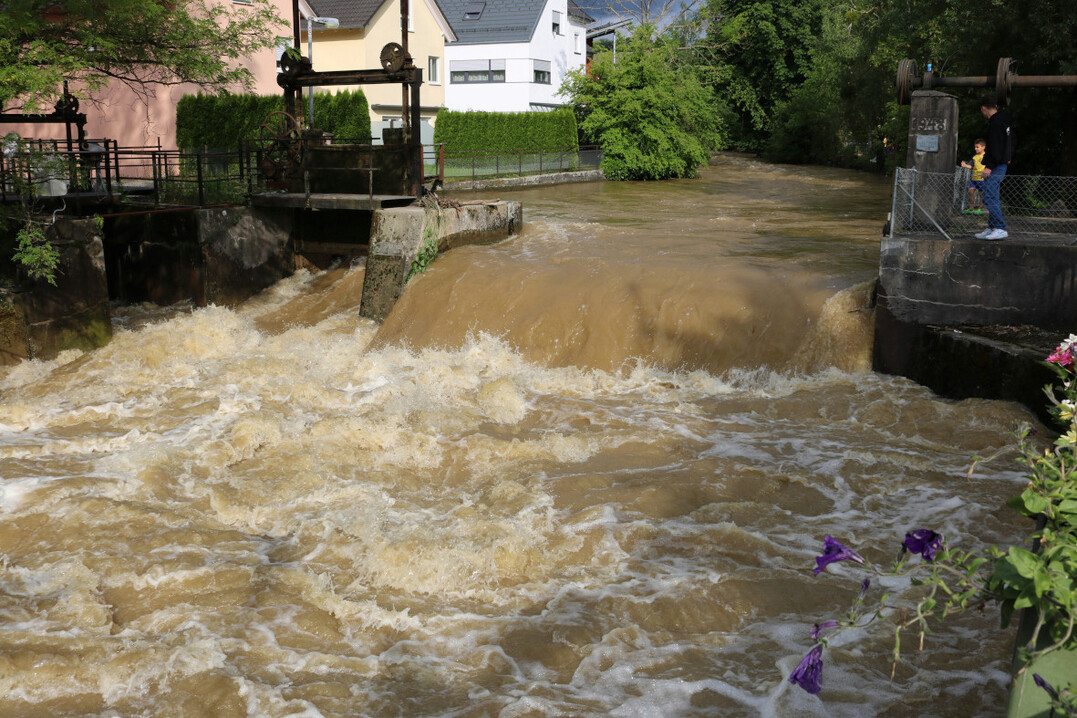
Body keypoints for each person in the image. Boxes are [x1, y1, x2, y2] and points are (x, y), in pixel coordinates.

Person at [974, 94, 1013, 241]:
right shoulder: (1004, 121)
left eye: (981, 110)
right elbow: (1011, 140)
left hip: (996, 165)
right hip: (1001, 162)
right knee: (993, 195)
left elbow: (995, 147)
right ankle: (992, 227)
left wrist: (989, 166)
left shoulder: (995, 124)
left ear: (984, 108)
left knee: (989, 196)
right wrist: (1008, 156)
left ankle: (1000, 228)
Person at [960, 138, 986, 214]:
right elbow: (972, 167)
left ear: (983, 147)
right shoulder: (974, 156)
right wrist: (965, 165)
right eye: (975, 147)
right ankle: (971, 208)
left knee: (981, 194)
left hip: (982, 178)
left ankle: (980, 209)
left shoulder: (986, 156)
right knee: (970, 191)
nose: (975, 149)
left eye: (977, 147)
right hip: (974, 178)